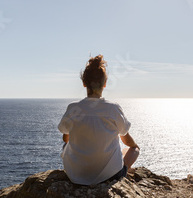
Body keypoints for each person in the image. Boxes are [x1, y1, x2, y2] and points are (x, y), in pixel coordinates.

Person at [58, 55, 140, 185]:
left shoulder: (73, 108)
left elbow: (65, 139)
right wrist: (134, 145)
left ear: (84, 83)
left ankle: (83, 171)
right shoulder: (113, 108)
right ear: (105, 84)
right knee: (133, 150)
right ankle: (126, 170)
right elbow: (126, 139)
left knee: (65, 146)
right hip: (110, 176)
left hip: (75, 176)